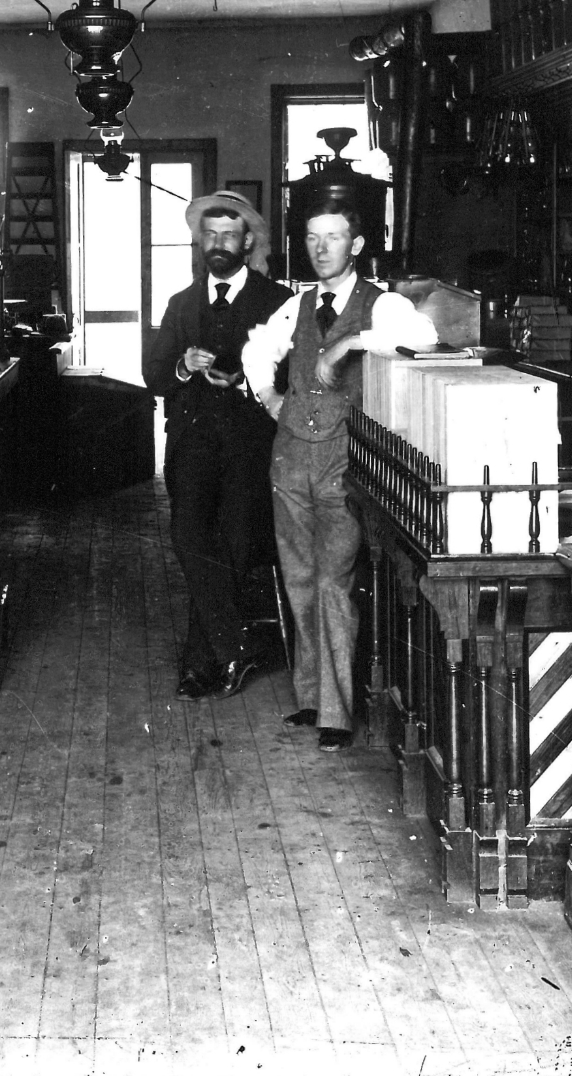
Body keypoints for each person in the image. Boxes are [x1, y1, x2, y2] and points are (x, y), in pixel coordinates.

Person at [243, 200, 437, 751]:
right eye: (311, 237)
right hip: (290, 457)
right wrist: (270, 396)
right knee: (299, 579)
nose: (320, 248)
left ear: (356, 246)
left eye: (333, 237)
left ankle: (337, 711)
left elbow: (425, 341)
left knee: (333, 582)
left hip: (343, 461)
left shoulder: (383, 304)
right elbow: (257, 349)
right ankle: (311, 698)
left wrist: (353, 341)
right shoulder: (297, 305)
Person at [142, 190, 292, 702]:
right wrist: (185, 365)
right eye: (211, 235)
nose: (219, 244)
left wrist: (249, 383)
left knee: (229, 546)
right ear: (199, 240)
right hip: (192, 446)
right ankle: (235, 646)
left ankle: (201, 663)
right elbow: (155, 375)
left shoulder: (277, 302)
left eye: (230, 234)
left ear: (248, 240)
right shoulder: (181, 304)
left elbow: (292, 379)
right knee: (187, 536)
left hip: (252, 447)